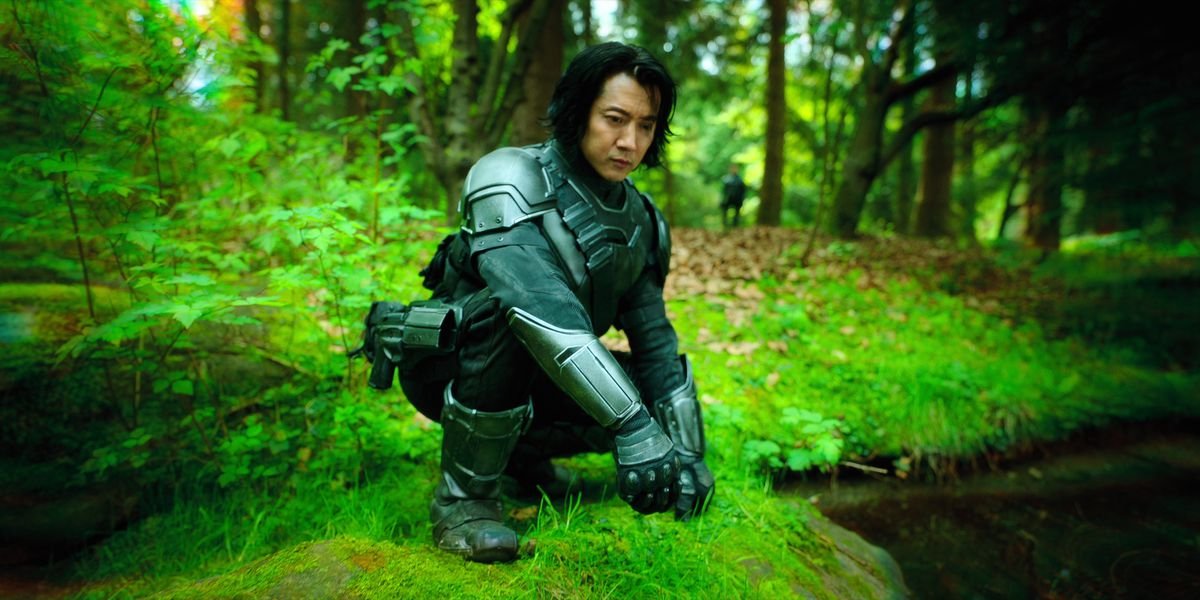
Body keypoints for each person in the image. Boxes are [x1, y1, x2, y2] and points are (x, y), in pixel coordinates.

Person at [354, 42, 715, 564]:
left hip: (542, 369)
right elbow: (538, 308)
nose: (629, 141)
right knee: (514, 317)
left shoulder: (641, 219)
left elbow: (654, 337)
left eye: (646, 124)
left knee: (639, 386)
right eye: (614, 119)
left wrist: (685, 453)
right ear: (577, 111)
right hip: (451, 365)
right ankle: (463, 501)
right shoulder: (509, 178)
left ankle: (521, 462)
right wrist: (633, 426)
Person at [720, 163, 746, 228]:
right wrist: (722, 199)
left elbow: (743, 191)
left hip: (737, 199)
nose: (734, 170)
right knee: (725, 212)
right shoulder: (726, 179)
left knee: (736, 214)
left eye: (735, 168)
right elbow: (723, 190)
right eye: (732, 168)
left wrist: (743, 199)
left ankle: (735, 226)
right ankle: (725, 225)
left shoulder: (740, 180)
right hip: (728, 199)